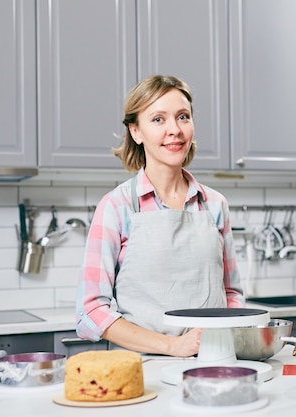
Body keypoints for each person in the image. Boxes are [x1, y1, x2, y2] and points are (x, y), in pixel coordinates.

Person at [76, 75, 244, 357]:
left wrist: (224, 340)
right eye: (158, 119)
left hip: (212, 362)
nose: (174, 130)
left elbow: (232, 295)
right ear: (136, 132)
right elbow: (91, 311)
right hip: (142, 369)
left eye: (183, 117)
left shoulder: (215, 204)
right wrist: (173, 346)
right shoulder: (117, 207)